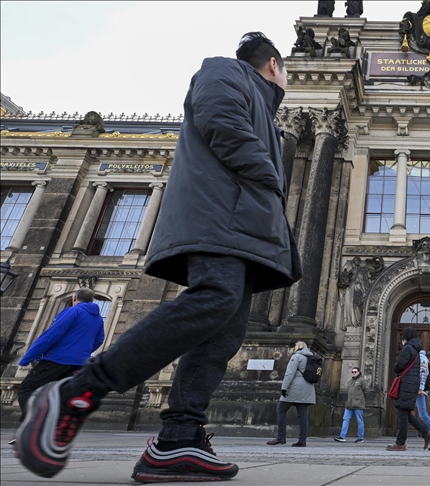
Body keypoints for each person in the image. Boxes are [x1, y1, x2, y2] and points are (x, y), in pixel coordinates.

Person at [14, 31, 301, 482]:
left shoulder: (265, 110)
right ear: (273, 66)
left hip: (245, 228)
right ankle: (74, 394)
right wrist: (268, 176)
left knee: (224, 334)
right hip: (220, 218)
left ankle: (177, 439)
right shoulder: (224, 70)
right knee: (214, 298)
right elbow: (220, 121)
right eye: (286, 71)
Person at [15, 288, 105, 426]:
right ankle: (53, 428)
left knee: (27, 389)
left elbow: (52, 335)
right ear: (92, 300)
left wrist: (28, 357)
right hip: (79, 364)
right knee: (58, 396)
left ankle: (33, 427)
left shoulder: (72, 311)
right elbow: (99, 340)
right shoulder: (98, 318)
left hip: (57, 359)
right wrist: (80, 352)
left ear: (74, 298)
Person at [387, 327, 430, 451]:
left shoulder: (407, 348)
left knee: (402, 414)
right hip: (412, 384)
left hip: (406, 384)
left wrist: (395, 366)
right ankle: (426, 433)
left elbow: (399, 365)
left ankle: (400, 443)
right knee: (406, 413)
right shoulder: (416, 350)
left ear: (405, 337)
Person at [268, 341, 316, 447]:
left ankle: (281, 437)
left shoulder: (297, 356)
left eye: (295, 346)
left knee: (281, 410)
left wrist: (284, 388)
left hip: (295, 387)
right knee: (303, 415)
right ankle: (302, 440)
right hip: (308, 388)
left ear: (298, 347)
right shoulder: (311, 357)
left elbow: (290, 373)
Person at [334, 366, 368, 443]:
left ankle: (360, 437)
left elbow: (367, 391)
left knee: (359, 421)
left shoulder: (362, 380)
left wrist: (360, 399)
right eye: (352, 372)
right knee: (345, 419)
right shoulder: (350, 381)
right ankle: (342, 436)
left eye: (355, 372)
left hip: (358, 404)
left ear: (359, 372)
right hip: (349, 404)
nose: (353, 373)